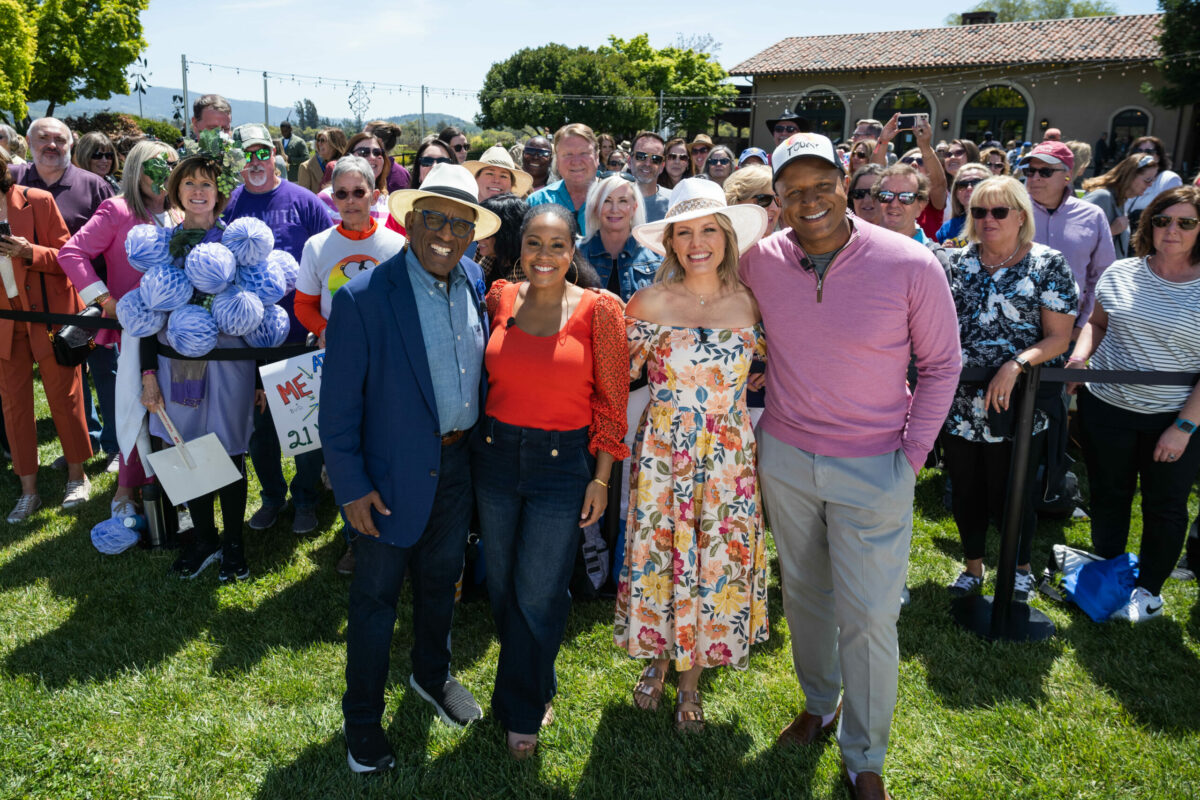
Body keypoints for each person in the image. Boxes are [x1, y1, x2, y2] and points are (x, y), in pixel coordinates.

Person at [741, 133, 959, 799]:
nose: (809, 200)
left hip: (875, 464)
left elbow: (942, 365)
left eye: (821, 185)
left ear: (847, 182)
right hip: (785, 457)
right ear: (777, 199)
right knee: (805, 596)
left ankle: (865, 758)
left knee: (868, 617)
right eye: (793, 191)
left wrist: (911, 457)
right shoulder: (758, 263)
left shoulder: (909, 262)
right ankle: (819, 703)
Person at [322, 163, 499, 773]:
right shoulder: (362, 298)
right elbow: (337, 411)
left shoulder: (473, 278)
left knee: (441, 582)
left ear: (473, 233)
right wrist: (352, 488)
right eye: (436, 219)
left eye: (461, 223)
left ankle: (432, 674)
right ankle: (362, 721)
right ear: (411, 219)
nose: (447, 234)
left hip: (456, 466)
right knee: (375, 601)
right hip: (387, 480)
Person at [614, 176, 769, 733]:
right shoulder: (648, 302)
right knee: (662, 554)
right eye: (684, 232)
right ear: (671, 242)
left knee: (716, 559)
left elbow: (779, 364)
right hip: (663, 451)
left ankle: (690, 681)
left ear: (726, 235)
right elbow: (613, 376)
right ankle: (657, 659)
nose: (697, 242)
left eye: (708, 230)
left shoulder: (753, 303)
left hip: (729, 454)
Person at [473, 202, 626, 757]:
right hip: (495, 457)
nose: (544, 255)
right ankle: (536, 680)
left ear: (572, 250)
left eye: (557, 245)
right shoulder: (499, 297)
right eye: (533, 243)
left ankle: (520, 711)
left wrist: (601, 479)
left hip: (563, 466)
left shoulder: (600, 310)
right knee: (502, 586)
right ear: (520, 249)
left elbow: (612, 403)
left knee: (538, 591)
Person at [1067, 185, 1200, 622]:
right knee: (1109, 495)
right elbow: (1097, 323)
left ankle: (1149, 592)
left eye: (1186, 222)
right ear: (1149, 225)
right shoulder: (1121, 271)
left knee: (1165, 506)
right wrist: (1080, 357)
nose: (1172, 230)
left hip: (1174, 417)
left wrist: (1183, 428)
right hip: (1106, 407)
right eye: (1162, 220)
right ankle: (1109, 573)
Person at [942, 176, 1077, 601]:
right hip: (961, 401)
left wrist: (1016, 365)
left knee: (1012, 490)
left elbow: (1059, 338)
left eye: (999, 211)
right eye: (979, 211)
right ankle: (973, 566)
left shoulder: (1047, 263)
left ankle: (1020, 567)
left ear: (1020, 216)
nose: (988, 219)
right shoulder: (955, 263)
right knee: (965, 488)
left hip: (1019, 399)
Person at [133, 143, 257, 579]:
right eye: (189, 182)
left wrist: (261, 379)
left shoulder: (238, 244)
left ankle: (234, 544)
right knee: (187, 447)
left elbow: (257, 312)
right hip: (177, 364)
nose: (198, 191)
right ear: (175, 190)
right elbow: (147, 316)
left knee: (229, 448)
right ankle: (205, 539)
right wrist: (149, 374)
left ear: (219, 192)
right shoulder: (161, 245)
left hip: (229, 363)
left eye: (207, 183)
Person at [58, 140, 183, 519]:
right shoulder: (118, 209)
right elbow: (72, 253)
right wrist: (105, 300)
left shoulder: (181, 211)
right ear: (136, 171)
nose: (164, 174)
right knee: (136, 406)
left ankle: (172, 486)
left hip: (181, 330)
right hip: (136, 329)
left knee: (176, 407)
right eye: (155, 166)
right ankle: (126, 489)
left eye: (172, 165)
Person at [222, 122, 334, 535]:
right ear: (237, 160)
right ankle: (272, 496)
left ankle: (306, 497)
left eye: (262, 153)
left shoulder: (304, 201)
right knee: (260, 427)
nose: (256, 162)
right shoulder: (229, 205)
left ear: (275, 156)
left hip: (300, 333)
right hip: (247, 337)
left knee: (304, 424)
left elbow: (330, 256)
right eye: (247, 154)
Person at [10, 117, 116, 467]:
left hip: (93, 297)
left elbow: (114, 239)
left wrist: (107, 296)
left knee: (105, 369)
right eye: (43, 138)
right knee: (69, 372)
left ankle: (116, 444)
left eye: (60, 139)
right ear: (29, 142)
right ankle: (86, 440)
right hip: (37, 304)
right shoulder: (13, 181)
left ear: (71, 145)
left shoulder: (93, 185)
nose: (51, 145)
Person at [0, 153, 92, 522]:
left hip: (48, 317)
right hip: (5, 323)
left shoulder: (37, 200)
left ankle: (77, 476)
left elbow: (68, 258)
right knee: (14, 406)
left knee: (65, 397)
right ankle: (28, 491)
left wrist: (29, 251)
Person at [1020, 141, 1116, 336]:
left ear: (1068, 176)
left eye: (1045, 172)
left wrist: (1084, 323)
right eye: (1030, 171)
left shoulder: (1092, 216)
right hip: (1013, 326)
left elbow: (1103, 277)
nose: (1035, 177)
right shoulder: (1009, 210)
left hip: (1070, 328)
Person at [579, 175, 661, 299]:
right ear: (595, 207)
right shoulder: (576, 254)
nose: (614, 209)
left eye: (623, 201)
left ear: (634, 207)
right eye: (606, 201)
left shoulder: (656, 256)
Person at [872, 114, 947, 240]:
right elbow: (874, 173)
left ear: (921, 205)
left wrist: (925, 146)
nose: (914, 163)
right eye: (908, 160)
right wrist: (883, 141)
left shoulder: (933, 201)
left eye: (921, 161)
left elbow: (939, 184)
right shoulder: (884, 194)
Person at [871, 163, 952, 275]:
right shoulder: (857, 251)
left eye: (906, 197)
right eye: (886, 195)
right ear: (874, 202)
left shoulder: (934, 259)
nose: (894, 204)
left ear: (920, 206)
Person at [1082, 153, 1159, 259]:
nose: (1150, 184)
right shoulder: (1102, 197)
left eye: (1153, 180)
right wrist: (1111, 231)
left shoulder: (1119, 200)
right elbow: (1076, 235)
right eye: (1147, 180)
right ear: (1130, 176)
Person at [527, 123, 599, 232]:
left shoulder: (615, 199)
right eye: (568, 154)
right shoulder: (537, 202)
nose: (576, 161)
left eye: (584, 153)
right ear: (557, 161)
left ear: (597, 157)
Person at [317, 132, 391, 224]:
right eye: (364, 152)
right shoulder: (325, 199)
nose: (372, 157)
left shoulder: (388, 203)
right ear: (348, 157)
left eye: (377, 152)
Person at [1124, 136, 1183, 232]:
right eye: (1138, 151)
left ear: (1158, 157)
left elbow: (1172, 215)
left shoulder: (1169, 179)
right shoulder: (1127, 178)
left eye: (1149, 151)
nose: (1143, 155)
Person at [476, 193, 527, 288]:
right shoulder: (482, 255)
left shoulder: (529, 271)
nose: (480, 236)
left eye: (488, 231)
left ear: (506, 234)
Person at [935, 163, 990, 245]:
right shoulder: (947, 229)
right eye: (962, 185)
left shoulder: (1002, 221)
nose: (969, 188)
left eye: (976, 183)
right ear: (956, 193)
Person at [724, 164, 779, 234]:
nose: (775, 208)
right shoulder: (718, 240)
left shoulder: (786, 240)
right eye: (764, 200)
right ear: (736, 202)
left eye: (778, 200)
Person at [629, 131, 671, 223]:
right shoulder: (613, 200)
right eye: (641, 156)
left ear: (662, 166)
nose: (648, 163)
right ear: (629, 161)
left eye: (656, 159)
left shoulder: (674, 202)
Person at [464, 145, 533, 201]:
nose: (496, 180)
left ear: (511, 184)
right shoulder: (463, 212)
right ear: (476, 178)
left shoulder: (520, 214)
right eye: (490, 174)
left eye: (503, 176)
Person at [364, 121, 411, 192]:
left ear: (379, 142)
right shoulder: (403, 172)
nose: (359, 140)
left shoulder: (376, 175)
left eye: (364, 137)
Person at [298, 127, 347, 193]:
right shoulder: (306, 167)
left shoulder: (348, 165)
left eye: (322, 140)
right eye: (318, 140)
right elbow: (303, 197)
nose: (319, 143)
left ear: (334, 144)